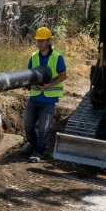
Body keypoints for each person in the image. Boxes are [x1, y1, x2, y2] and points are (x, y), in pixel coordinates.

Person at [24, 27, 67, 163]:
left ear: (48, 41)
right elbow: (29, 74)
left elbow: (64, 75)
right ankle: (32, 144)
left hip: (48, 100)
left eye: (42, 41)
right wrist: (33, 83)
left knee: (44, 128)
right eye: (38, 40)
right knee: (28, 125)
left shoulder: (57, 57)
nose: (40, 43)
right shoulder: (34, 56)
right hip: (35, 97)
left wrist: (50, 85)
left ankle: (38, 151)